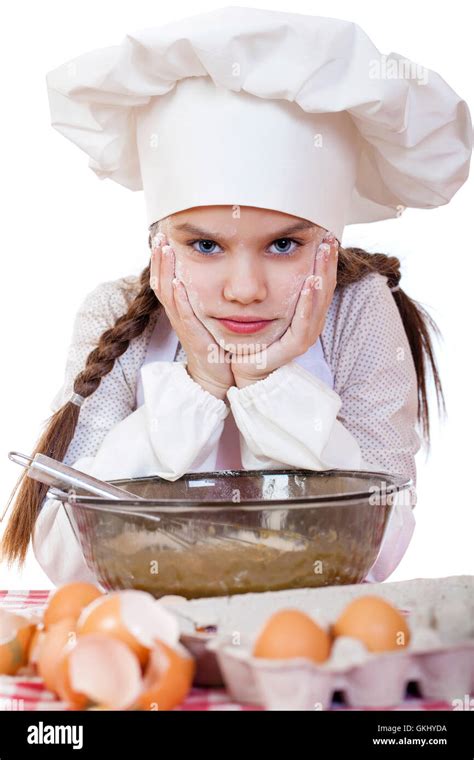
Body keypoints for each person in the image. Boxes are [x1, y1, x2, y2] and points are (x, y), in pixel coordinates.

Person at [2, 7, 471, 586]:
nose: (244, 290)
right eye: (204, 245)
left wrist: (265, 385)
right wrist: (199, 383)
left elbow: (378, 543)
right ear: (158, 245)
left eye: (282, 245)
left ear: (329, 242)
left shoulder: (359, 310)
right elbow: (68, 557)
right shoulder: (110, 312)